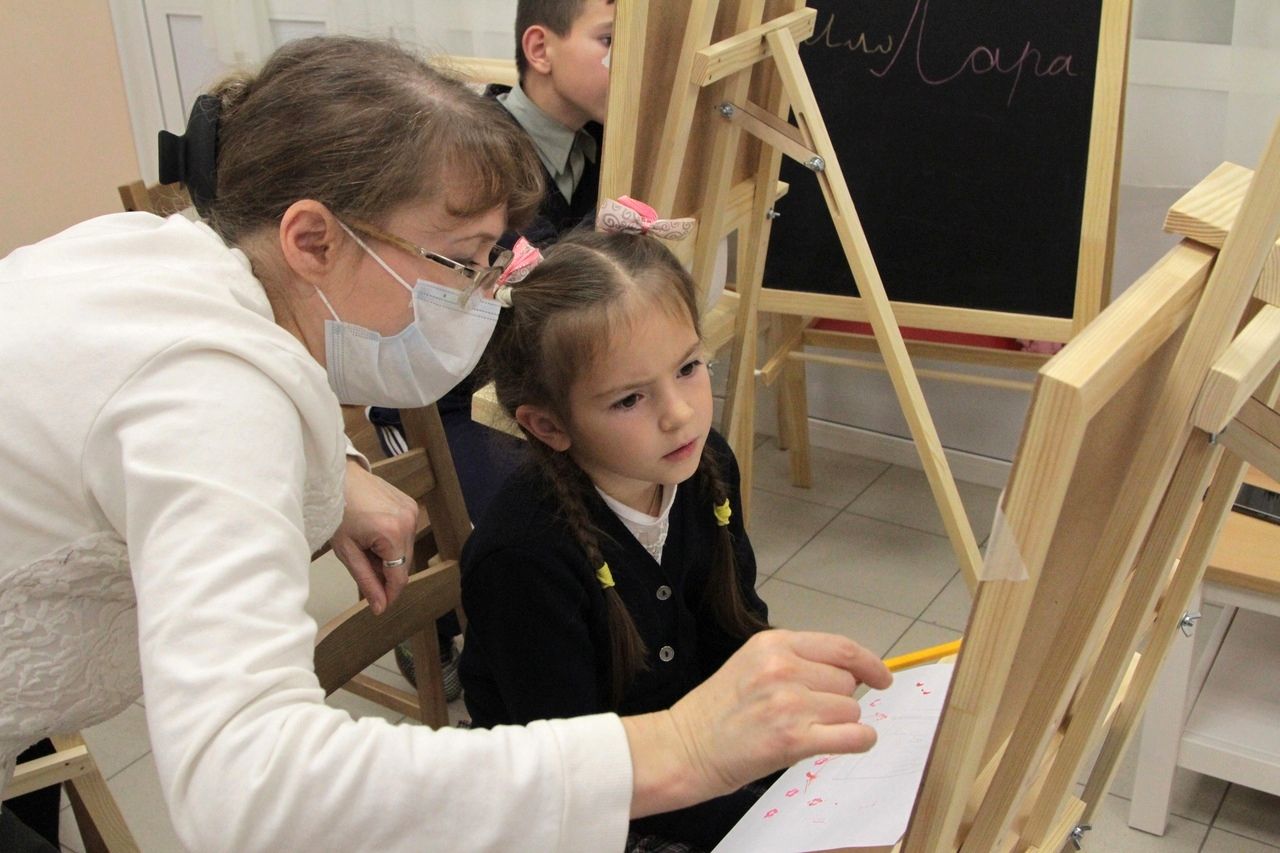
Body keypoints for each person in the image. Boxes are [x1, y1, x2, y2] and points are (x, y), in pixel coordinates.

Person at [0, 35, 891, 852]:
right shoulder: (209, 398)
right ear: (312, 239)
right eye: (463, 261)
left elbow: (150, 407)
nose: (481, 296)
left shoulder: (172, 262)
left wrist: (332, 472)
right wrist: (679, 747)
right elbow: (251, 790)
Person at [458, 209, 776, 851]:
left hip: (688, 763)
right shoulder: (521, 557)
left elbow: (734, 627)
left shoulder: (707, 464)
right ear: (549, 425)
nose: (680, 414)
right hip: (585, 808)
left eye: (688, 367)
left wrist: (779, 708)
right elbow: (576, 773)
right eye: (630, 399)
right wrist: (751, 814)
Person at [372, 0, 616, 696]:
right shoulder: (473, 154)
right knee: (542, 525)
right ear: (541, 50)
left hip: (530, 379)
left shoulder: (610, 143)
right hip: (445, 395)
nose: (631, 67)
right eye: (609, 41)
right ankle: (448, 630)